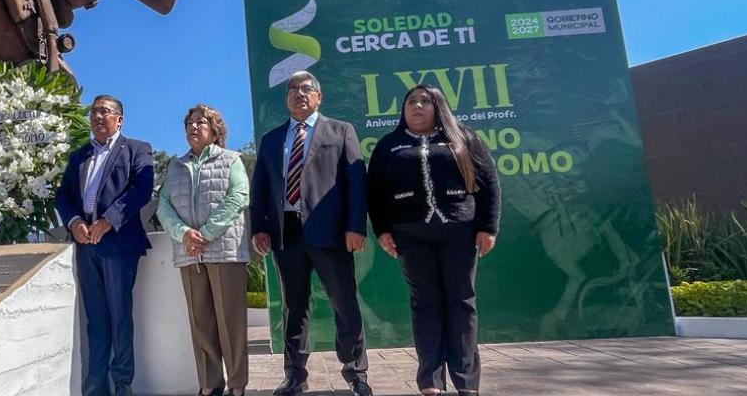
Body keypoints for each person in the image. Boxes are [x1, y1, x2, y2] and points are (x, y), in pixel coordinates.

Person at [368, 85, 501, 396]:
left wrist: (488, 227)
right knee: (424, 304)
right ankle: (430, 380)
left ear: (438, 107)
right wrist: (382, 229)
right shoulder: (389, 145)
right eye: (411, 102)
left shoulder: (463, 137)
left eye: (425, 101)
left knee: (461, 303)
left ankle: (466, 382)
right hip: (410, 234)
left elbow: (490, 181)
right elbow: (375, 192)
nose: (417, 106)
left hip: (460, 231)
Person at [250, 71, 373, 396]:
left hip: (330, 232)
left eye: (307, 89)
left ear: (319, 97)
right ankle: (295, 376)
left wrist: (355, 226)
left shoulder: (341, 131)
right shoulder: (272, 140)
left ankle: (356, 371)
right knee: (294, 307)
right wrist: (259, 227)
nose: (299, 93)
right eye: (293, 89)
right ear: (287, 99)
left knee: (344, 303)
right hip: (285, 233)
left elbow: (356, 183)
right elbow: (260, 187)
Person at [55, 95, 154, 396]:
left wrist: (108, 221)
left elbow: (142, 189)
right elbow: (63, 196)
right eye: (94, 111)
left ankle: (123, 385)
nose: (97, 116)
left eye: (104, 111)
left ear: (119, 119)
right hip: (86, 247)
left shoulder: (137, 149)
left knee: (120, 317)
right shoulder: (79, 156)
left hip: (119, 245)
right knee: (96, 321)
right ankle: (96, 388)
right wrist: (74, 222)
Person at [156, 104, 250, 396]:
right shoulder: (175, 166)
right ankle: (210, 382)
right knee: (201, 322)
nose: (193, 128)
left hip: (225, 251)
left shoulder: (231, 159)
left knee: (230, 321)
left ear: (214, 129)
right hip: (190, 254)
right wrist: (184, 233)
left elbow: (238, 196)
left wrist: (206, 233)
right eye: (189, 124)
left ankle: (236, 383)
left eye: (200, 122)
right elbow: (164, 206)